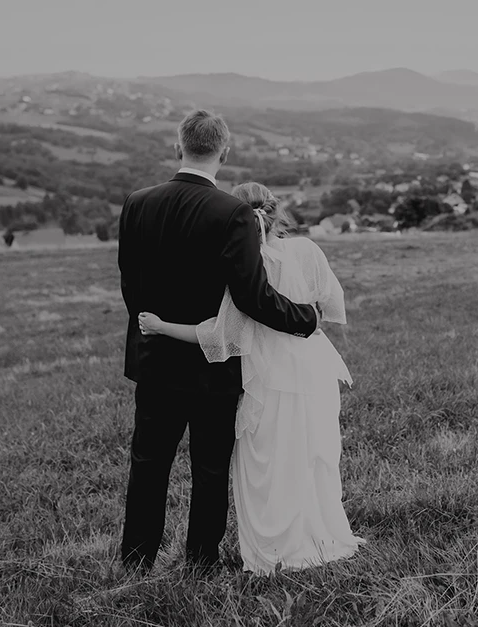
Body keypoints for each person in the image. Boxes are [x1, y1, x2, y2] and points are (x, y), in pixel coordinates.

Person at [117, 110, 320, 573]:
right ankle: (201, 563)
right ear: (224, 154)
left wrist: (152, 328)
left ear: (178, 148)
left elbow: (130, 283)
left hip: (154, 360)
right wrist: (305, 319)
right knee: (209, 471)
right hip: (213, 367)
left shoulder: (137, 202)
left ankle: (134, 560)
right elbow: (253, 296)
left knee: (148, 464)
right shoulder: (233, 213)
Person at [138, 181, 364, 574]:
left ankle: (276, 551)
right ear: (276, 213)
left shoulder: (242, 267)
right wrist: (307, 318)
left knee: (269, 463)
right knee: (311, 454)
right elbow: (330, 304)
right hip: (312, 368)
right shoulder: (308, 250)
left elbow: (218, 336)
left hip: (269, 375)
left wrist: (160, 326)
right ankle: (322, 536)